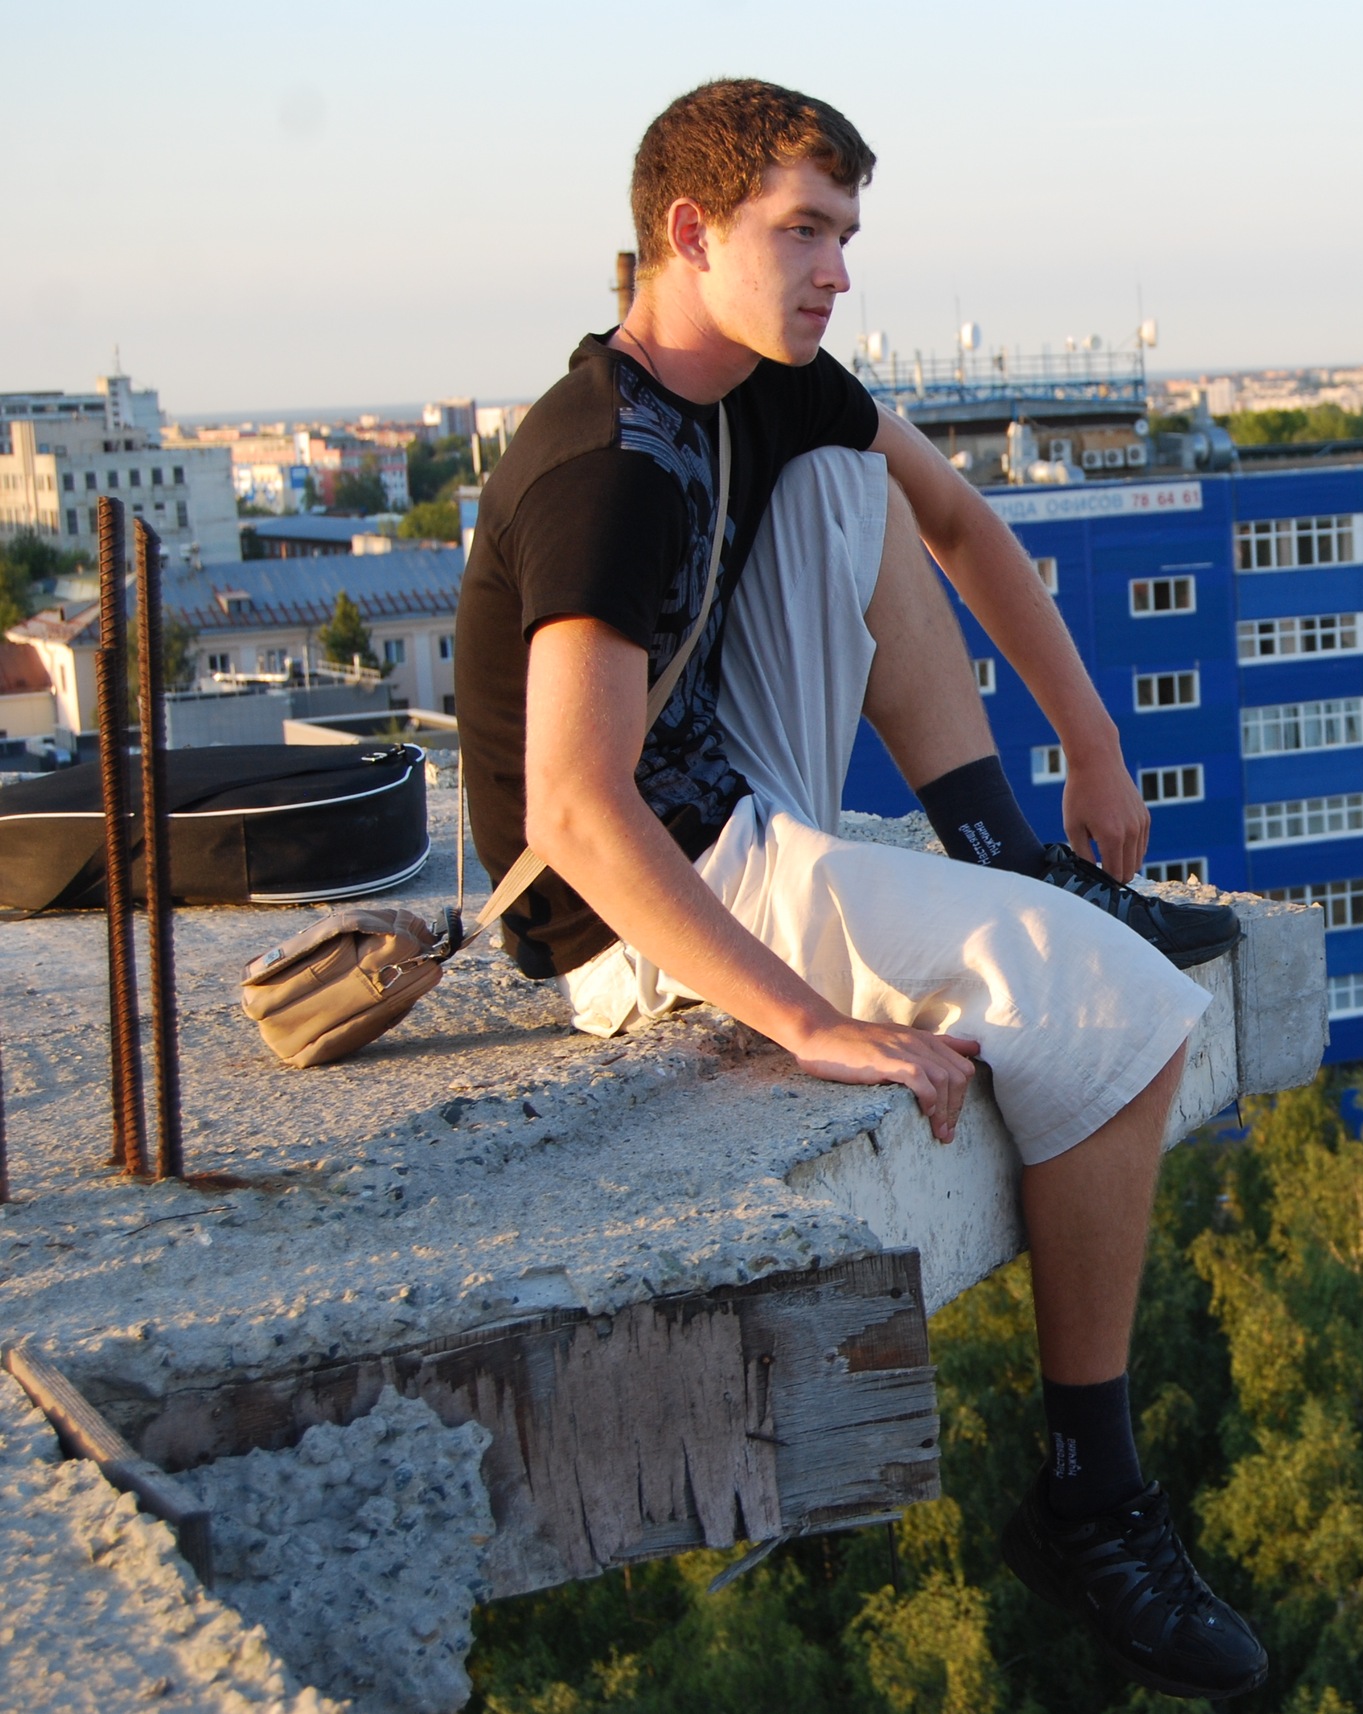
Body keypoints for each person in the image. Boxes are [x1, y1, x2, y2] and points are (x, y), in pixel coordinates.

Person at [452, 78, 1266, 1701]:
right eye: (804, 233)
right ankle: (1094, 1499)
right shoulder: (604, 465)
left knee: (864, 472)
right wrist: (807, 1021)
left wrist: (1093, 750)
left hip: (734, 799)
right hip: (636, 909)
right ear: (691, 232)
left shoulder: (760, 386)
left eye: (846, 234)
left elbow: (959, 518)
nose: (837, 269)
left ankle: (1001, 849)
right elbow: (575, 811)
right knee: (1118, 1010)